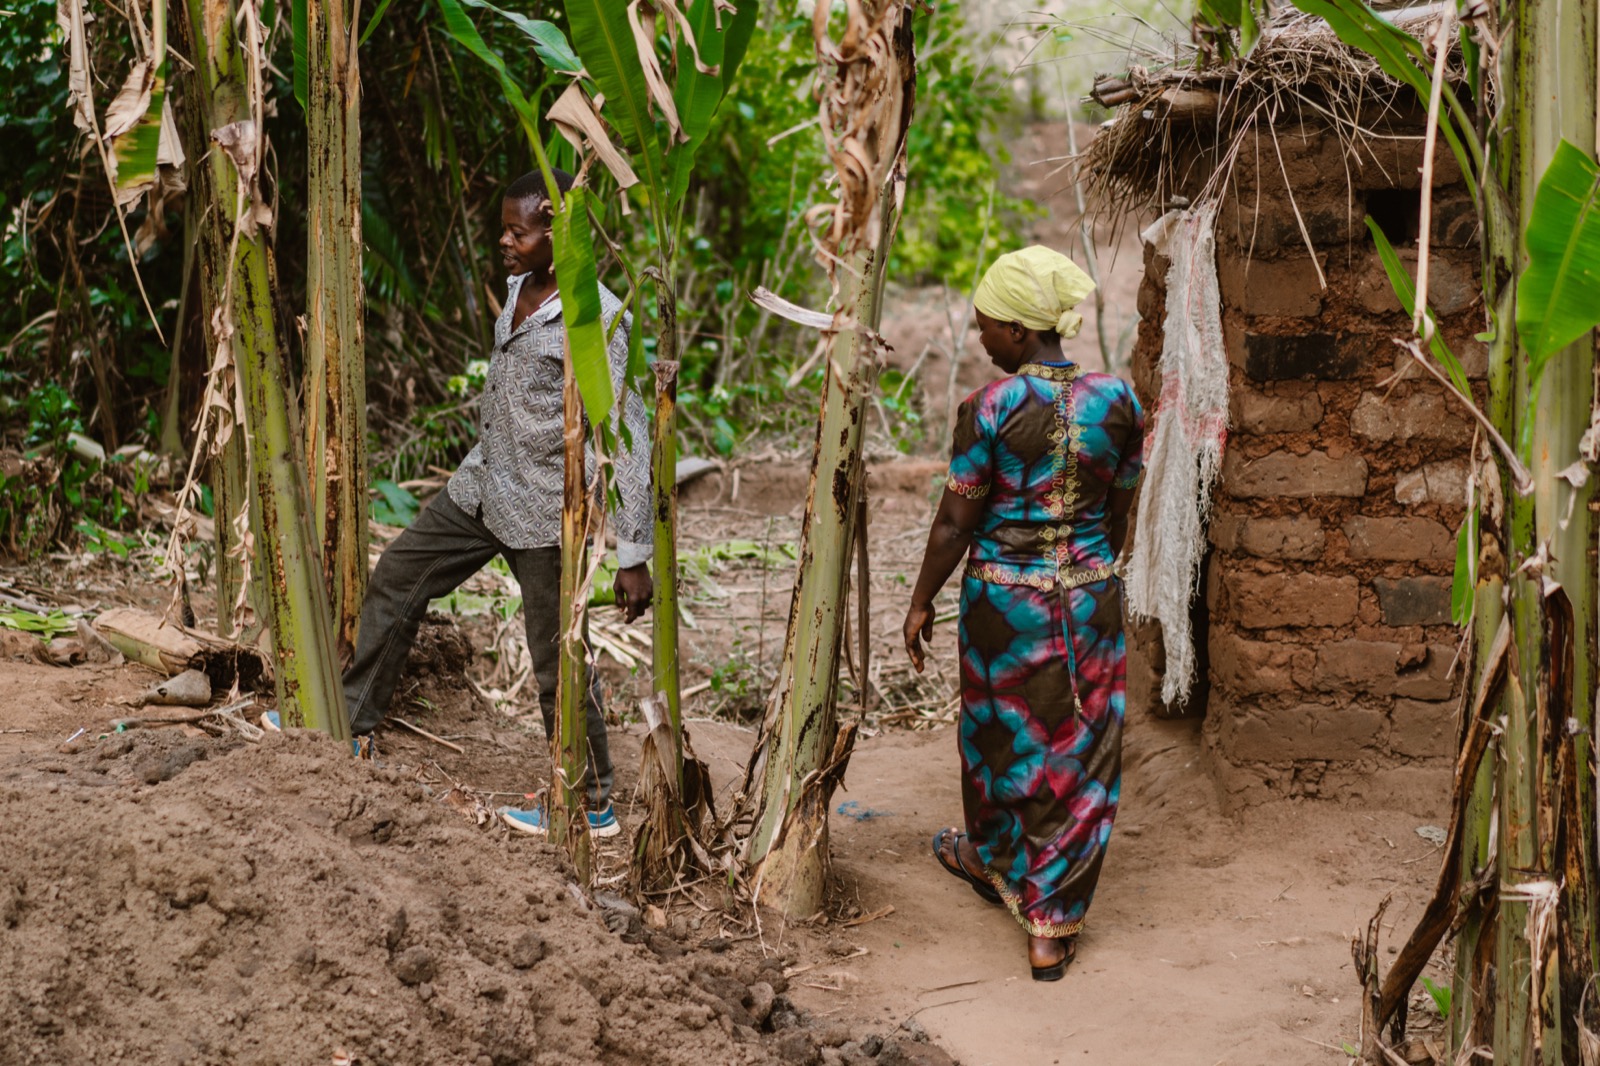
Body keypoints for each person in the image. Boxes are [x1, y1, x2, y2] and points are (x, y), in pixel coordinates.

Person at [340, 167, 653, 838]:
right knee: (397, 576)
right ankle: (353, 728)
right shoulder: (517, 290)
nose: (505, 242)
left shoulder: (591, 315)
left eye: (519, 231)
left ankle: (591, 801)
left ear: (557, 231)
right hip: (481, 488)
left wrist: (634, 554)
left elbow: (627, 432)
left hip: (545, 511)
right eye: (503, 229)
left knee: (558, 659)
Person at [902, 246, 1145, 982]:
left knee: (1000, 740)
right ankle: (1054, 922)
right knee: (1081, 753)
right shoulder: (1120, 400)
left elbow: (953, 524)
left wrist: (920, 602)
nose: (981, 341)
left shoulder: (990, 409)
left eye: (984, 329)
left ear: (1017, 330)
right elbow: (1121, 504)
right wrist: (1089, 567)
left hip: (1004, 609)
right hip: (1092, 600)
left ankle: (999, 857)